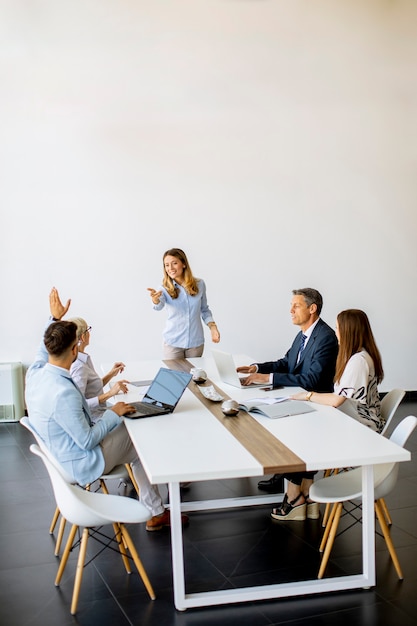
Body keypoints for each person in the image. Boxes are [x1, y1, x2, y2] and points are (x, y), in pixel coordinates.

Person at [25, 287, 188, 532]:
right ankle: (158, 511)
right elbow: (87, 440)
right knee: (142, 438)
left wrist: (55, 318)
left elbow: (41, 348)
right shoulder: (63, 391)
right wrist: (114, 414)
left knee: (133, 425)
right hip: (84, 462)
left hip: (62, 456)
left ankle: (157, 504)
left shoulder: (36, 373)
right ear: (74, 350)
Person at [272, 308, 384, 522]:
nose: (336, 332)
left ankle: (295, 496)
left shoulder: (358, 361)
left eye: (339, 328)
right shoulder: (359, 356)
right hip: (354, 421)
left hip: (360, 430)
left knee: (299, 436)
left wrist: (307, 396)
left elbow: (336, 400)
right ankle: (306, 493)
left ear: (349, 331)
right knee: (304, 431)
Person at [237, 288, 339, 493]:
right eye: (291, 305)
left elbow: (312, 380)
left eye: (296, 305)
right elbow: (287, 362)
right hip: (300, 398)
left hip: (316, 405)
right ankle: (285, 472)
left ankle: (289, 475)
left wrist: (268, 378)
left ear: (312, 308)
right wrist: (258, 368)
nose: (291, 310)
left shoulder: (325, 337)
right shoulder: (303, 335)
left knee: (266, 416)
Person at [147, 248, 220, 359]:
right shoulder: (164, 288)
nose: (170, 268)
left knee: (193, 376)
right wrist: (155, 300)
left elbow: (204, 310)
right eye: (166, 265)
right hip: (173, 343)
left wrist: (213, 328)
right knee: (176, 376)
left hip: (196, 343)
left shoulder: (200, 284)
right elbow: (158, 306)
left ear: (184, 264)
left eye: (174, 263)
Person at [69, 317, 129, 423]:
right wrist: (110, 393)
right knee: (132, 421)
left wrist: (111, 374)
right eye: (88, 330)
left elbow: (92, 388)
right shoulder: (79, 367)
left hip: (101, 412)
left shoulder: (83, 358)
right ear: (83, 337)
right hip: (96, 419)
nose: (89, 333)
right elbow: (79, 404)